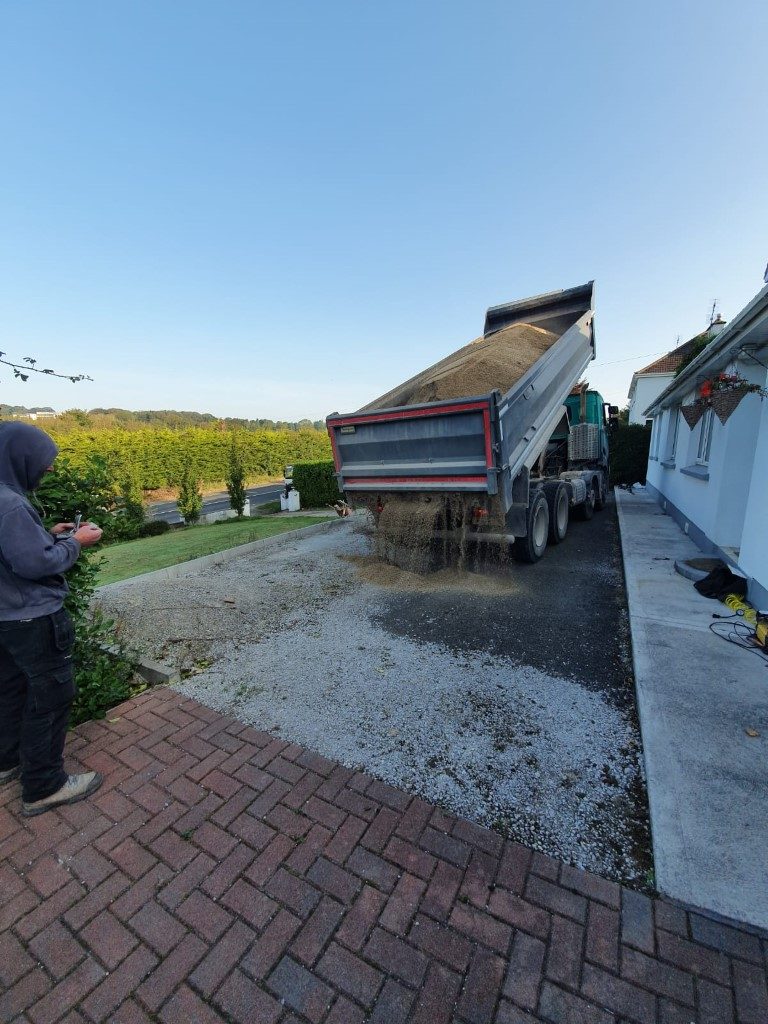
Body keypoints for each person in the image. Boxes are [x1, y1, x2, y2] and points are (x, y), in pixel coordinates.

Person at [0, 422, 104, 816]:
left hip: (5, 617)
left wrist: (46, 533)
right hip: (33, 618)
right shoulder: (10, 503)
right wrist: (75, 543)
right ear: (20, 458)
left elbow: (10, 552)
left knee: (9, 690)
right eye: (44, 463)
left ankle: (7, 761)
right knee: (51, 694)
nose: (48, 471)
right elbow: (34, 564)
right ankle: (44, 786)